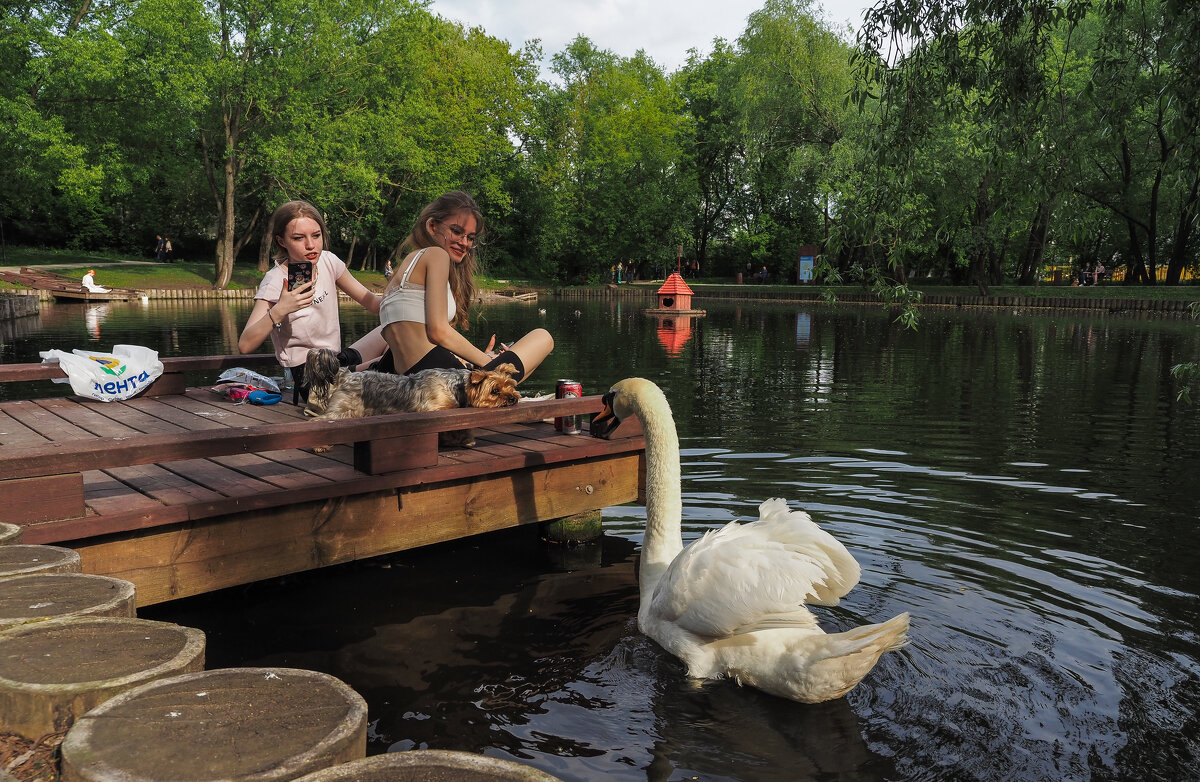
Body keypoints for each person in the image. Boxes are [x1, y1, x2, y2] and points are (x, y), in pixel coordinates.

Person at [378, 190, 552, 383]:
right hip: (443, 383)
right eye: (457, 231)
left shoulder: (403, 272)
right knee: (543, 337)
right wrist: (487, 363)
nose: (464, 243)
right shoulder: (437, 255)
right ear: (432, 225)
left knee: (505, 374)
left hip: (412, 386)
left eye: (470, 237)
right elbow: (438, 331)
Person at [238, 200, 388, 404]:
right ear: (282, 241)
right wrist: (281, 309)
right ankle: (379, 369)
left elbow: (372, 303)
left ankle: (377, 368)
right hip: (311, 378)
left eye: (316, 236)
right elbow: (245, 344)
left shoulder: (328, 261)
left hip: (335, 361)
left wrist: (403, 291)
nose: (311, 245)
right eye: (299, 238)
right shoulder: (274, 281)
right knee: (393, 363)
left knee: (394, 330)